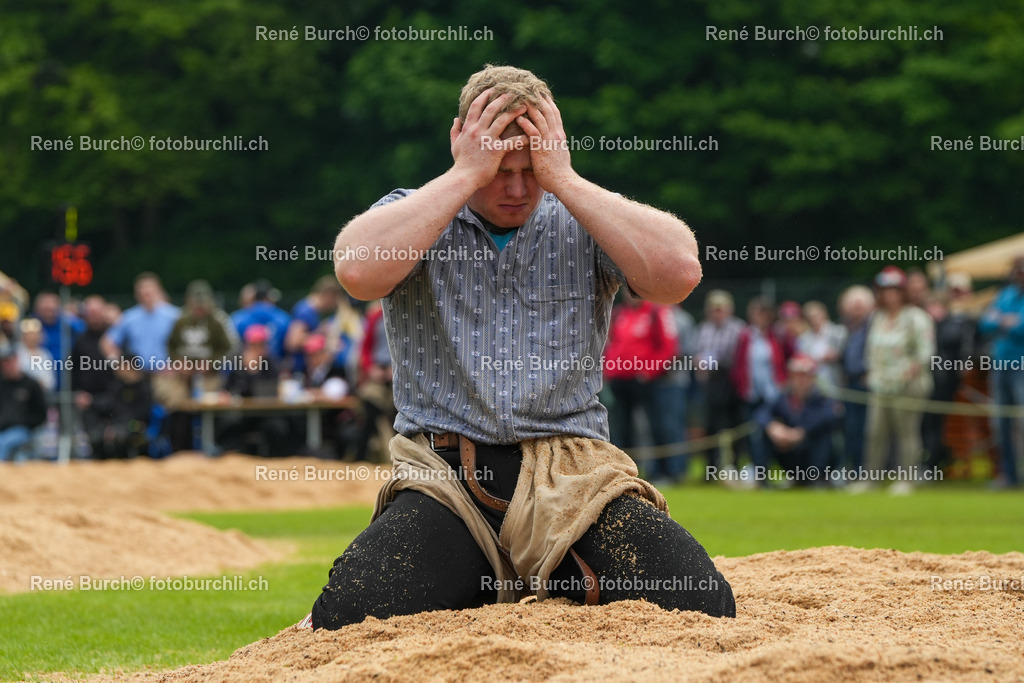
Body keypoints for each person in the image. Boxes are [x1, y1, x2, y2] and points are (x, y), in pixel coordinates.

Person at [309, 65, 734, 629]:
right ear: (461, 140)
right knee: (346, 618)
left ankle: (532, 586)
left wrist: (565, 178)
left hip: (572, 474)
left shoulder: (584, 213)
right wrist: (465, 175)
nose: (515, 187)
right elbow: (357, 272)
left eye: (528, 168)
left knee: (700, 604)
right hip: (447, 477)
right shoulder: (419, 209)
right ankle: (485, 584)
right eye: (499, 169)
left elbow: (678, 274)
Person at [856, 266, 935, 495]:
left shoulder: (916, 317)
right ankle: (871, 479)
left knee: (906, 432)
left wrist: (911, 369)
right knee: (875, 431)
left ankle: (907, 479)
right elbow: (871, 350)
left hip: (909, 384)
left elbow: (926, 352)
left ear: (903, 292)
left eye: (894, 290)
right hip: (880, 384)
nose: (889, 295)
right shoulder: (877, 317)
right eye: (885, 290)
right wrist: (871, 372)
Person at [604, 291, 683, 483]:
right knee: (622, 428)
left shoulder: (658, 312)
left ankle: (665, 473)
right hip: (620, 380)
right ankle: (628, 472)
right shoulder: (620, 314)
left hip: (647, 381)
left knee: (658, 425)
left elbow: (669, 347)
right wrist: (608, 370)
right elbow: (613, 344)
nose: (631, 296)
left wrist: (649, 372)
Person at [164, 280, 234, 451]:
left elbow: (228, 348)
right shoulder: (181, 320)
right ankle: (180, 449)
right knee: (177, 403)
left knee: (210, 404)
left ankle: (212, 447)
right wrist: (179, 363)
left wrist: (210, 364)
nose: (200, 308)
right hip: (183, 375)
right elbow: (170, 346)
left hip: (209, 375)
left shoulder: (217, 321)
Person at [978, 256, 1024, 489]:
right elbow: (985, 324)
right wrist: (1008, 322)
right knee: (1000, 423)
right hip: (1000, 366)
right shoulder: (1005, 295)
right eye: (1017, 271)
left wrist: (1004, 322)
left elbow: (1020, 329)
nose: (1019, 275)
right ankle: (1007, 475)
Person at [758, 355, 838, 487]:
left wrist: (801, 432)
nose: (801, 380)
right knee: (762, 433)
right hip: (788, 453)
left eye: (805, 376)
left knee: (825, 435)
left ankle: (818, 480)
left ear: (813, 378)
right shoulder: (783, 398)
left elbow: (830, 415)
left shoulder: (822, 398)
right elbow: (761, 413)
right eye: (797, 375)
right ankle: (762, 480)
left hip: (811, 453)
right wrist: (773, 427)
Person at [101, 272, 180, 407]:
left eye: (149, 291)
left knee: (171, 406)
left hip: (165, 375)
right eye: (142, 292)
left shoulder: (174, 316)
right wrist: (116, 363)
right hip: (136, 377)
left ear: (158, 291)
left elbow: (186, 343)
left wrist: (178, 365)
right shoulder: (129, 317)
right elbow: (107, 342)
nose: (146, 295)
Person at [731, 297, 787, 473]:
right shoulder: (746, 336)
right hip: (751, 394)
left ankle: (774, 469)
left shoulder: (777, 335)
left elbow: (787, 359)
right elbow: (738, 364)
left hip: (773, 395)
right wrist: (741, 386)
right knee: (754, 435)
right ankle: (759, 471)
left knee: (772, 434)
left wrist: (784, 383)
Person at [692, 290, 744, 470]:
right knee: (710, 424)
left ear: (729, 310)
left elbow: (736, 357)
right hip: (709, 383)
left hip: (730, 382)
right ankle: (711, 467)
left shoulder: (738, 329)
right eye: (714, 309)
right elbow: (697, 354)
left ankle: (734, 465)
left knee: (733, 423)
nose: (717, 313)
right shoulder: (704, 329)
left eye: (721, 309)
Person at [837, 285, 875, 473]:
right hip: (850, 384)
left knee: (865, 430)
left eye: (858, 305)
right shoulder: (849, 327)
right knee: (851, 429)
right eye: (852, 305)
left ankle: (864, 470)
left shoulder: (874, 326)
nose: (854, 309)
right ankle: (854, 468)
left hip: (865, 384)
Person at [0, 342, 48, 461]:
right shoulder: (1, 384)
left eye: (9, 361)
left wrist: (27, 424)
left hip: (23, 430)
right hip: (2, 429)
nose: (7, 366)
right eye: (4, 363)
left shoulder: (31, 384)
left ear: (17, 360)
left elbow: (41, 413)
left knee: (4, 443)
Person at [285, 275, 342, 372]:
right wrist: (321, 333)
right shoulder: (306, 311)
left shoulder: (313, 311)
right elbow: (293, 342)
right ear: (328, 295)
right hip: (300, 368)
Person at [32, 291, 84, 389]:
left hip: (68, 378)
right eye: (46, 310)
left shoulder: (68, 323)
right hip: (40, 379)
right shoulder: (32, 326)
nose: (49, 314)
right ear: (38, 310)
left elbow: (84, 330)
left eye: (52, 310)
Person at [231, 279, 291, 360]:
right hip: (277, 366)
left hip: (248, 366)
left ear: (254, 297)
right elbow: (289, 346)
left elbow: (233, 346)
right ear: (268, 297)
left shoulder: (238, 318)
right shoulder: (283, 317)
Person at [797, 301, 846, 390]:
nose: (813, 320)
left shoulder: (839, 332)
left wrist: (837, 355)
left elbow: (845, 354)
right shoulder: (804, 338)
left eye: (816, 316)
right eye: (810, 317)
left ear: (824, 315)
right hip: (814, 384)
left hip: (836, 381)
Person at [16, 318, 55, 394]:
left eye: (34, 334)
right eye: (29, 334)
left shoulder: (45, 354)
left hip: (41, 394)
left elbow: (50, 380)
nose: (32, 337)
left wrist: (41, 384)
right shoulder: (17, 352)